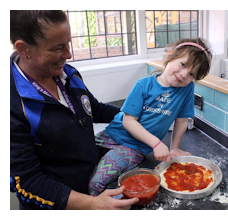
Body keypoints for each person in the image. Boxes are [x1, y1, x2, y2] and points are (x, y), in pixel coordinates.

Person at [10, 10, 139, 210]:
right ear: (24, 48)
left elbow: (93, 109)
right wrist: (93, 204)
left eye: (68, 43)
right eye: (58, 47)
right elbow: (27, 181)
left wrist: (136, 116)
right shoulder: (11, 103)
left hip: (91, 184)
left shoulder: (68, 75)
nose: (68, 54)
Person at [89, 38, 213, 195]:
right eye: (183, 65)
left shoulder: (186, 89)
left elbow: (182, 120)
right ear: (171, 55)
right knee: (76, 163)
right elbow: (128, 122)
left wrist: (174, 148)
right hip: (110, 134)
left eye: (191, 74)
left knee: (96, 183)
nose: (183, 74)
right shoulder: (143, 85)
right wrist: (156, 144)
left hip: (133, 148)